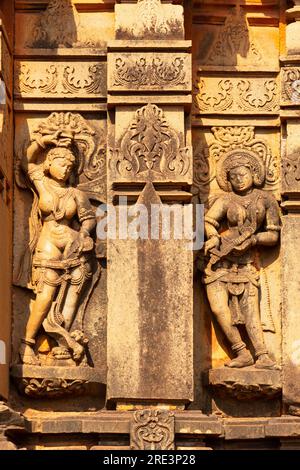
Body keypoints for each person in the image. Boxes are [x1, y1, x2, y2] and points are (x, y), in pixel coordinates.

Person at [19, 130, 96, 365]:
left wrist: (84, 233)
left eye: (70, 167)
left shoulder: (76, 194)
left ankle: (60, 342)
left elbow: (88, 217)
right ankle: (27, 344)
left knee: (74, 288)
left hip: (71, 243)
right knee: (45, 295)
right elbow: (27, 160)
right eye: (62, 164)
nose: (66, 170)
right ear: (50, 163)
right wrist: (44, 141)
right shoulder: (42, 184)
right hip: (48, 241)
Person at [203, 149, 280, 369]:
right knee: (219, 310)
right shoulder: (226, 200)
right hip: (219, 263)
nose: (239, 180)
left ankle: (262, 355)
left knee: (251, 313)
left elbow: (274, 234)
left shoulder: (265, 200)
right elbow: (209, 221)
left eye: (243, 174)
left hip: (246, 264)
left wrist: (254, 240)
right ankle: (241, 352)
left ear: (254, 174)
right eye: (233, 176)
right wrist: (214, 237)